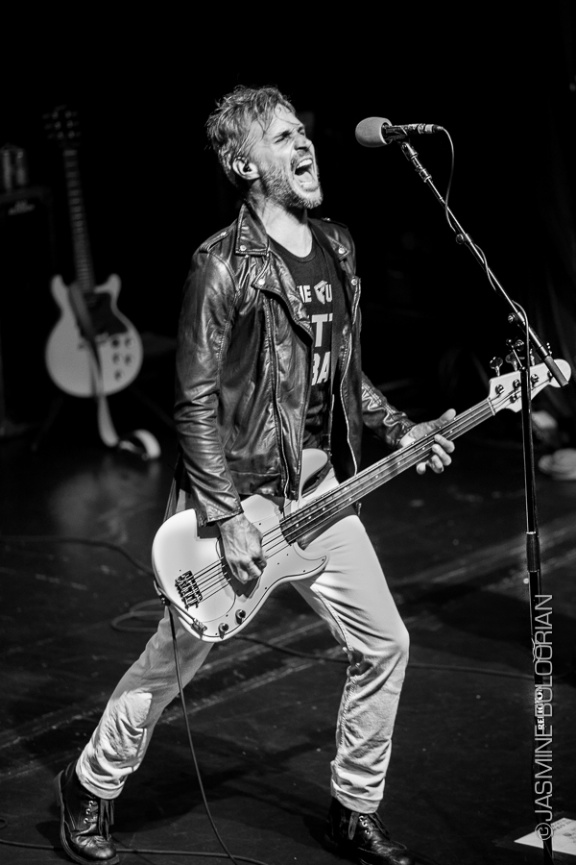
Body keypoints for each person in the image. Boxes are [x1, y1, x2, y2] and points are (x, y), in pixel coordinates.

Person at [54, 84, 456, 865]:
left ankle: (354, 808)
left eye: (303, 132)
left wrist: (401, 427)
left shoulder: (338, 246)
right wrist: (227, 514)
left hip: (324, 496)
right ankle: (90, 783)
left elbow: (344, 372)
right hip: (241, 504)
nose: (304, 144)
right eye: (282, 137)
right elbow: (194, 399)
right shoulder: (220, 265)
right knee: (171, 662)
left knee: (386, 643)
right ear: (244, 164)